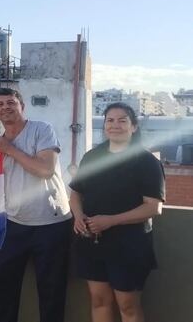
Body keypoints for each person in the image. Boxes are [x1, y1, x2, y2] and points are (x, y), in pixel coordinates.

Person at [70, 102, 165, 322]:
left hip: (129, 246)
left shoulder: (147, 162)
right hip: (92, 243)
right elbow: (75, 193)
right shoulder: (93, 157)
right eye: (110, 120)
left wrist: (110, 221)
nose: (115, 125)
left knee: (128, 306)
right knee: (99, 300)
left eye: (122, 120)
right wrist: (78, 216)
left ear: (133, 127)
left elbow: (153, 207)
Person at [0, 87, 72, 322]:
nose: (6, 107)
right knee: (3, 289)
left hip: (52, 224)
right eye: (0, 104)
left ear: (22, 106)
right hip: (14, 225)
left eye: (11, 102)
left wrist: (10, 150)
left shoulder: (41, 130)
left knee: (52, 291)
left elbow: (45, 170)